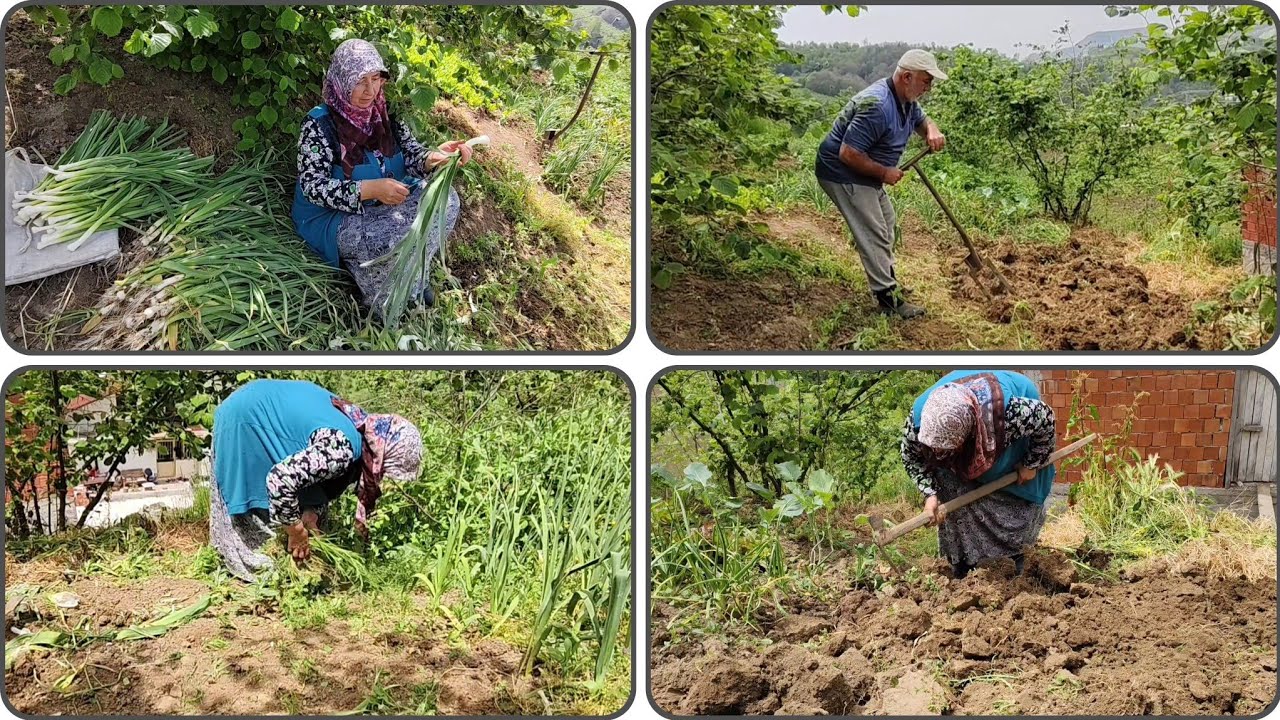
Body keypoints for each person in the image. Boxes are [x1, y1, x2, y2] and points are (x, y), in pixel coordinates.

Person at [292, 39, 476, 318]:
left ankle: (413, 278)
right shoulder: (319, 126)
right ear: (341, 81)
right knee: (392, 236)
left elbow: (413, 155)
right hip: (334, 217)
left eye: (375, 78)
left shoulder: (385, 114)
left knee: (446, 201)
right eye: (359, 81)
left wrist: (436, 157)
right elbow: (312, 187)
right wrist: (369, 189)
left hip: (385, 204)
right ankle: (383, 300)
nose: (369, 90)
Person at [208, 378, 423, 582]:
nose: (381, 476)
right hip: (247, 419)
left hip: (257, 403)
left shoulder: (358, 426)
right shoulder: (342, 448)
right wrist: (296, 531)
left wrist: (310, 512)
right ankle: (254, 578)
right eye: (385, 470)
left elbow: (314, 474)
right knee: (259, 542)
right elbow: (280, 480)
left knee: (291, 526)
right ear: (383, 454)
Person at [814, 49, 948, 320]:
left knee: (886, 222)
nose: (929, 88)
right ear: (907, 76)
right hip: (843, 171)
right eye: (926, 81)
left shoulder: (906, 98)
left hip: (864, 171)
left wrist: (931, 130)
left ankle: (888, 280)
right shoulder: (876, 106)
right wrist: (885, 172)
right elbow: (848, 154)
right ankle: (888, 300)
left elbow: (921, 120)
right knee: (873, 230)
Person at [900, 370, 1058, 579]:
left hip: (1006, 440)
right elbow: (911, 457)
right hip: (959, 439)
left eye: (949, 451)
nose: (940, 455)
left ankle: (1013, 566)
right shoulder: (919, 422)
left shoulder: (1011, 414)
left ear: (969, 435)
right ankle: (961, 565)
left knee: (1013, 502)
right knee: (950, 489)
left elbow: (1046, 420)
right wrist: (930, 494)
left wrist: (1031, 464)